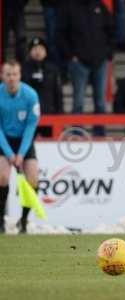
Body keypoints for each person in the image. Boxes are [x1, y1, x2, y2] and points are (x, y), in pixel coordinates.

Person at [56, 0, 114, 136]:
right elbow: (60, 34)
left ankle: (99, 133)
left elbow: (111, 29)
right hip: (78, 62)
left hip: (100, 61)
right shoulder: (68, 7)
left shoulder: (100, 6)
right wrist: (71, 56)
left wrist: (108, 54)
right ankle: (77, 133)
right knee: (78, 101)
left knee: (100, 101)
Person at [0, 61, 40, 234]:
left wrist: (21, 154)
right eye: (8, 74)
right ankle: (0, 220)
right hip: (4, 140)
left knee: (32, 179)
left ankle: (23, 221)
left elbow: (31, 126)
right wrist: (9, 153)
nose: (11, 78)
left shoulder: (31, 95)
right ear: (2, 76)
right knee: (2, 177)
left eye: (14, 74)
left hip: (24, 139)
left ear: (20, 75)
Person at [22, 37, 63, 137]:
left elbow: (58, 93)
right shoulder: (23, 69)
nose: (38, 52)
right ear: (30, 52)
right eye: (35, 49)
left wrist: (60, 113)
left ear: (45, 52)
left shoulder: (53, 69)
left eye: (41, 49)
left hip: (49, 113)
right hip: (29, 115)